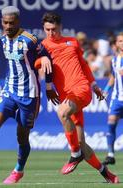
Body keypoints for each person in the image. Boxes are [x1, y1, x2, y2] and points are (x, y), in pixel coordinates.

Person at [0, 6, 53, 184]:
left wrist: (48, 83)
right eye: (5, 23)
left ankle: (18, 170)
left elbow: (47, 58)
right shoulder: (3, 40)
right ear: (2, 22)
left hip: (29, 95)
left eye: (11, 23)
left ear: (18, 22)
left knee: (22, 137)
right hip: (9, 90)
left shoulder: (30, 40)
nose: (8, 26)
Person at [41, 12, 119, 183]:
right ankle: (107, 174)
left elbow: (83, 65)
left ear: (60, 27)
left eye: (54, 29)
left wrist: (94, 85)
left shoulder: (73, 42)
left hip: (81, 89)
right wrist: (41, 62)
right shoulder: (43, 47)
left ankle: (74, 154)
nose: (51, 33)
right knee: (82, 143)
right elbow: (35, 63)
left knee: (62, 113)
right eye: (47, 29)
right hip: (67, 96)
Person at [102, 32, 123, 165]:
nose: (122, 43)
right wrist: (106, 90)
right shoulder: (114, 59)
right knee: (111, 121)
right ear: (116, 44)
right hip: (117, 98)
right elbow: (113, 77)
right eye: (120, 41)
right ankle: (110, 154)